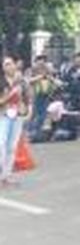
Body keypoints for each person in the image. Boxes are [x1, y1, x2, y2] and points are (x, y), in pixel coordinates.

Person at [0, 56, 32, 185]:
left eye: (10, 63)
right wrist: (9, 96)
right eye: (5, 64)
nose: (8, 66)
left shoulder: (22, 81)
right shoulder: (1, 81)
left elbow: (28, 97)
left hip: (18, 115)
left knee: (12, 147)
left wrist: (30, 110)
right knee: (1, 144)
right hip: (3, 115)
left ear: (15, 64)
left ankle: (6, 176)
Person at [28, 54, 60, 140]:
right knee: (35, 114)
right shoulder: (33, 70)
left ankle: (37, 132)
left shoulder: (48, 70)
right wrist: (40, 77)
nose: (42, 63)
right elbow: (29, 81)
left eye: (43, 61)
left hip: (46, 94)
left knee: (43, 114)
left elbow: (54, 80)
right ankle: (31, 132)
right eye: (40, 60)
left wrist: (49, 76)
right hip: (36, 94)